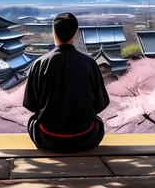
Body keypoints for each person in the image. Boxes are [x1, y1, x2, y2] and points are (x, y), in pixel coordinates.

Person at [23, 12, 110, 153]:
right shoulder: (90, 63)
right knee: (97, 121)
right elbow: (100, 105)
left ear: (54, 32)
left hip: (46, 137)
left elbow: (31, 104)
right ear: (76, 33)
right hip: (87, 137)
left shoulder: (40, 64)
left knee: (34, 121)